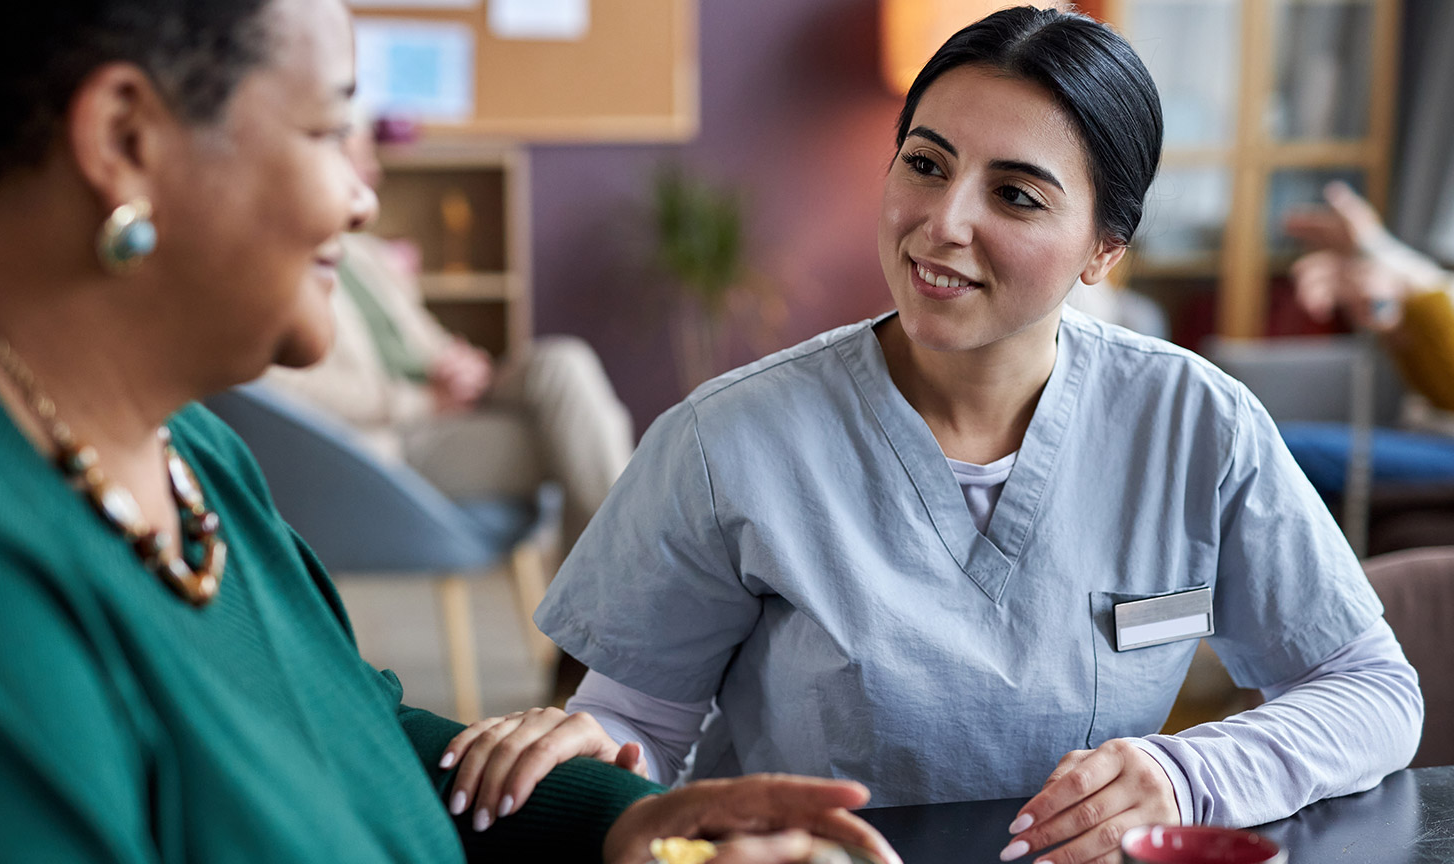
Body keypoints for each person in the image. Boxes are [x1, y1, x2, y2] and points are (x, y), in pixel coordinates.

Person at [0, 2, 900, 863]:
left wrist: (616, 823)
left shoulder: (192, 452)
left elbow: (354, 734)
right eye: (329, 128)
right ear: (127, 140)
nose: (364, 193)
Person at [441, 7, 1424, 863]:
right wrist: (583, 750)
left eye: (1016, 194)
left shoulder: (1195, 429)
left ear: (1105, 248)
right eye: (925, 164)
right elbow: (634, 729)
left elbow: (1372, 689)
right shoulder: (724, 442)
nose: (941, 223)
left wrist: (1188, 775)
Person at [264, 128, 634, 556]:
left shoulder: (366, 258)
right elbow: (289, 392)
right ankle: (620, 583)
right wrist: (423, 401)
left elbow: (426, 338)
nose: (375, 172)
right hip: (398, 439)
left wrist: (460, 363)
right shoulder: (284, 267)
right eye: (358, 157)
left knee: (564, 362)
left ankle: (612, 590)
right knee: (580, 440)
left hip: (447, 400)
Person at [1279, 180, 1454, 499]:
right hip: (1429, 434)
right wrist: (1399, 322)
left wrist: (1378, 253)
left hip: (1443, 445)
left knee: (1277, 448)